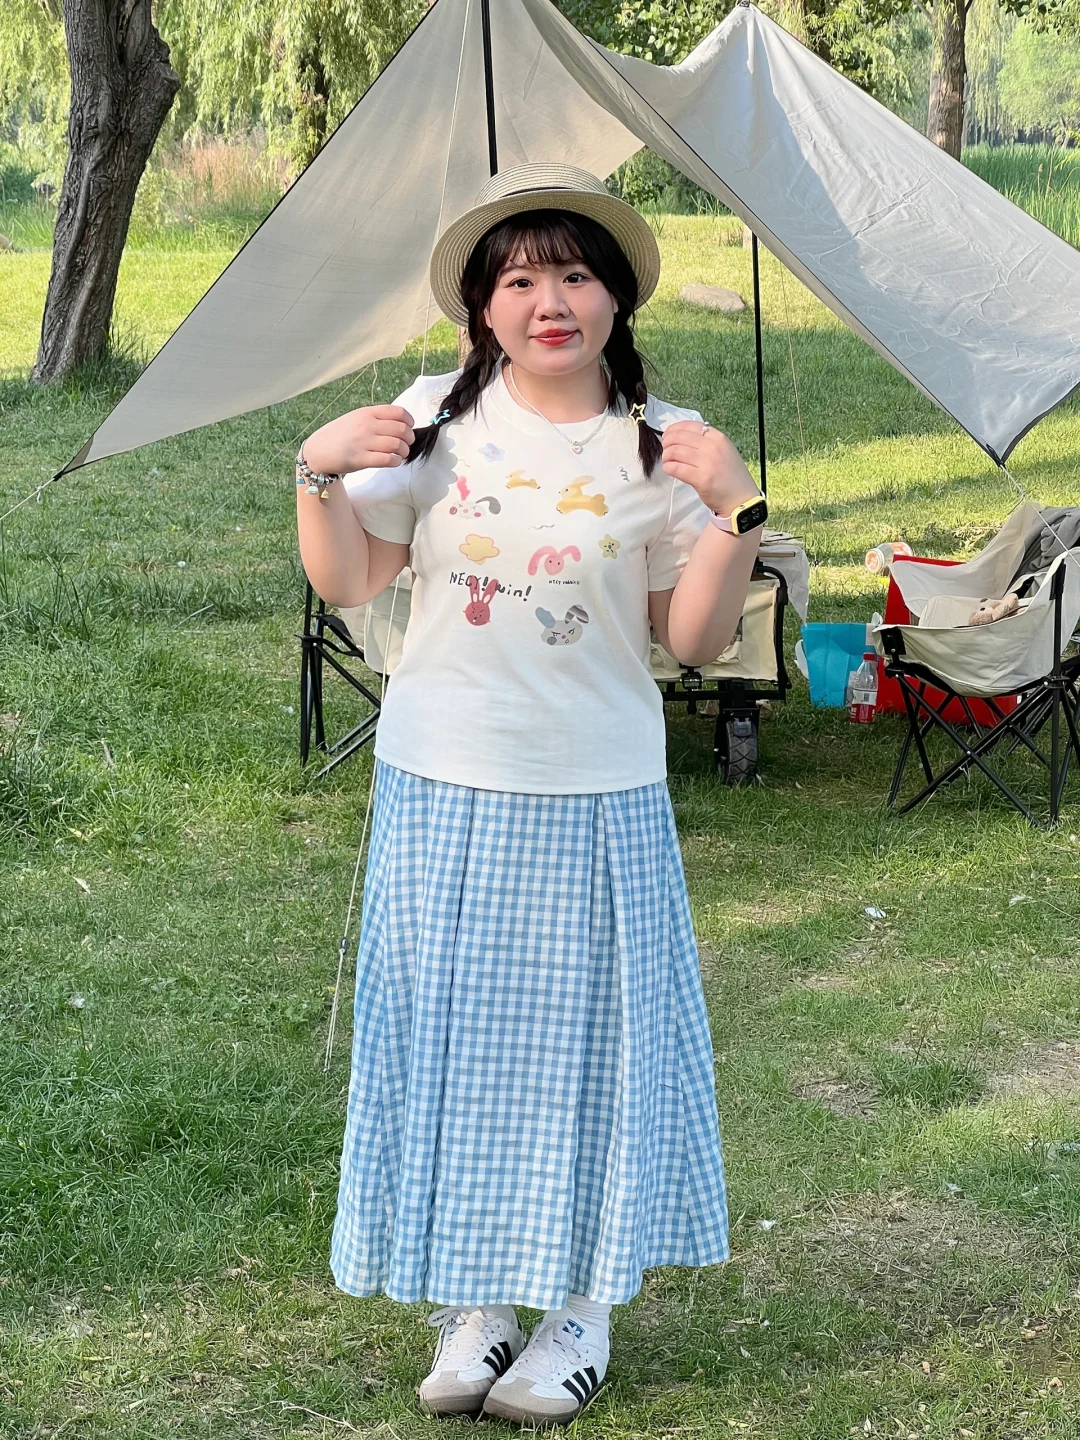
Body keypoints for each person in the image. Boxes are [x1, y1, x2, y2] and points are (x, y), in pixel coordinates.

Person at [295, 163, 768, 1427]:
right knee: (455, 1050)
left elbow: (694, 639)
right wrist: (317, 471)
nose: (549, 301)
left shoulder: (665, 444)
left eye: (574, 274)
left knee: (594, 1059)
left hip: (596, 792)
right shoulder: (431, 424)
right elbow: (350, 581)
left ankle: (581, 1316)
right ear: (482, 309)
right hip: (441, 782)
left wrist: (736, 509)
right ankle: (477, 1306)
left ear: (616, 297)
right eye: (518, 280)